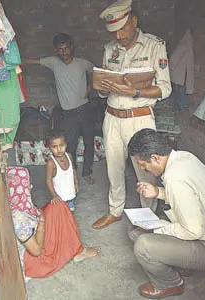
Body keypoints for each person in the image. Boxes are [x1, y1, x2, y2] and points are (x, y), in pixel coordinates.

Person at [92, 0, 172, 229]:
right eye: (113, 31)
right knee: (113, 168)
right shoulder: (110, 49)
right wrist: (102, 87)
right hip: (113, 117)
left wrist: (135, 91)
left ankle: (147, 217)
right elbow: (101, 87)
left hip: (140, 118)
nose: (118, 36)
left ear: (133, 21)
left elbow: (165, 88)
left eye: (122, 29)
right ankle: (115, 210)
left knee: (146, 170)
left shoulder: (154, 45)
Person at [126, 128, 205, 299]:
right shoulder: (184, 157)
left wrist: (159, 228)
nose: (144, 169)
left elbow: (193, 231)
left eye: (143, 165)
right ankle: (184, 263)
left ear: (154, 158)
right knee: (137, 231)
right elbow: (190, 196)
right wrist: (158, 192)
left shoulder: (174, 178)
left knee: (142, 244)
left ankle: (170, 283)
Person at [6, 166, 99, 283]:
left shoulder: (13, 203)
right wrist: (42, 223)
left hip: (33, 234)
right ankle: (74, 250)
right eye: (27, 183)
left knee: (58, 206)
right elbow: (36, 251)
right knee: (57, 222)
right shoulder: (17, 218)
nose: (31, 186)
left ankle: (78, 250)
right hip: (33, 261)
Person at [24, 33, 95, 185]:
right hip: (68, 114)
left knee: (89, 142)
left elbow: (97, 74)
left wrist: (89, 87)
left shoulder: (83, 63)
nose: (63, 52)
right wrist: (15, 62)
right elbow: (33, 62)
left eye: (66, 48)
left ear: (72, 47)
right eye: (60, 49)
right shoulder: (53, 62)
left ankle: (87, 172)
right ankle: (72, 173)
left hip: (85, 109)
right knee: (70, 145)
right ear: (56, 50)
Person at [45, 130, 79, 211]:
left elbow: (73, 170)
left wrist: (76, 183)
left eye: (61, 145)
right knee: (62, 215)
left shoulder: (69, 156)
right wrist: (54, 195)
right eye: (54, 147)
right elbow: (48, 180)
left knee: (70, 211)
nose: (59, 149)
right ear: (49, 147)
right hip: (59, 198)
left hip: (70, 193)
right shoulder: (51, 163)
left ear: (66, 144)